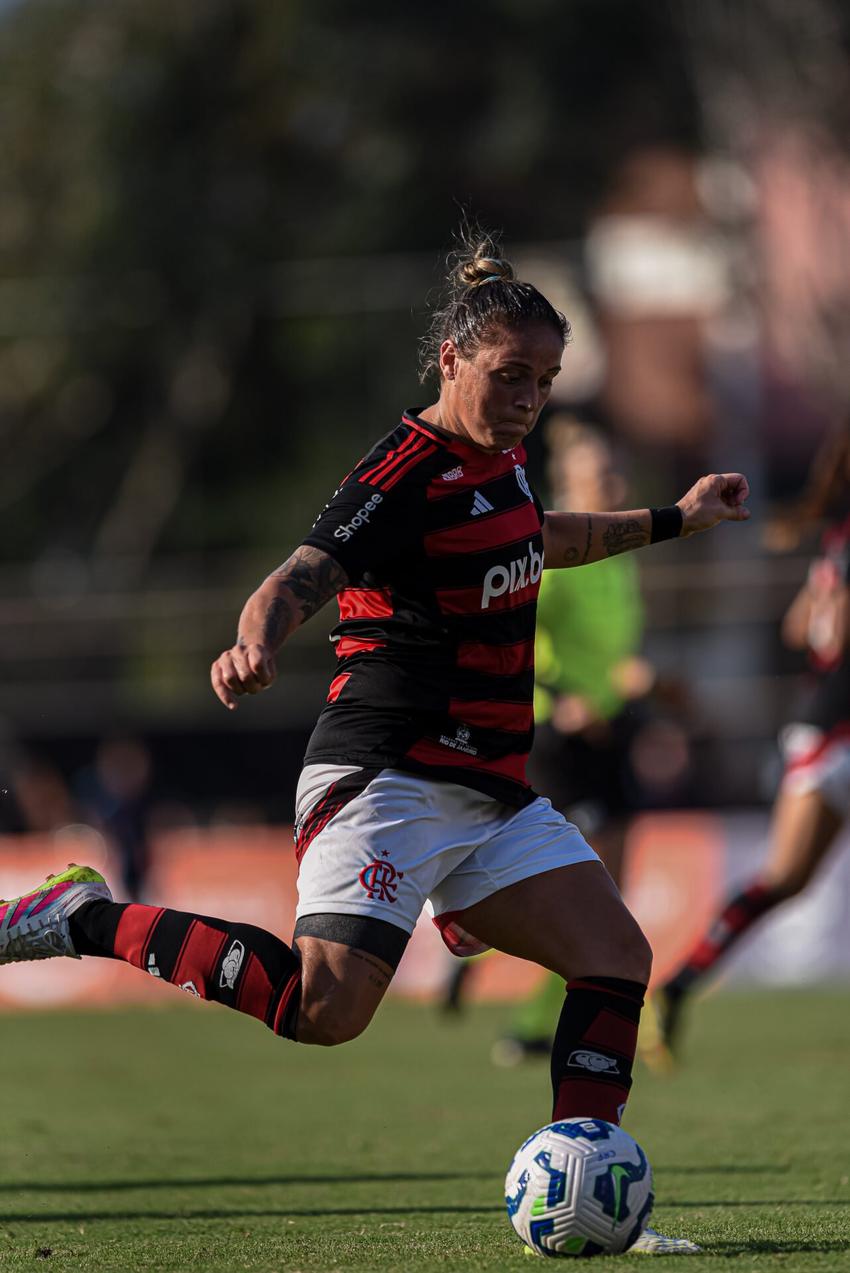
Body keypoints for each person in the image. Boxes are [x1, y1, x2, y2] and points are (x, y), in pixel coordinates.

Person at [0, 228, 749, 1255]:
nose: (529, 397)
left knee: (615, 955)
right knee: (324, 1009)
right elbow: (298, 573)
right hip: (385, 773)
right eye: (509, 375)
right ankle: (81, 917)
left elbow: (547, 538)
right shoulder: (401, 470)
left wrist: (674, 518)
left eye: (545, 379)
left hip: (488, 787)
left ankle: (592, 1179)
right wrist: (253, 642)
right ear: (449, 360)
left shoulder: (509, 459)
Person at [653, 424, 850, 1061]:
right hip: (836, 733)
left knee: (783, 881)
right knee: (785, 880)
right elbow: (834, 632)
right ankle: (678, 986)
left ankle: (681, 983)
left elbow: (803, 628)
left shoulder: (839, 537)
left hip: (821, 730)